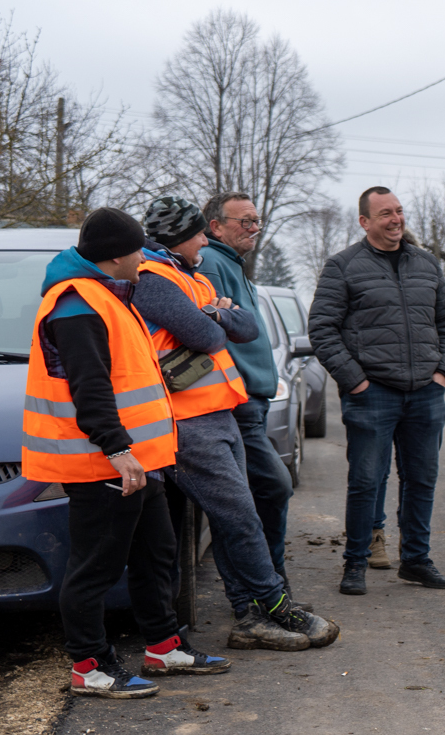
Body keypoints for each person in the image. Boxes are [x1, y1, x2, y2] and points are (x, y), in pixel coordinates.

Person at [23, 209, 229, 698]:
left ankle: (163, 646)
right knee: (95, 566)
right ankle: (89, 666)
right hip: (105, 463)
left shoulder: (110, 293)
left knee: (155, 553)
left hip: (140, 460)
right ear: (116, 256)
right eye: (138, 249)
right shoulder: (76, 303)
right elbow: (89, 387)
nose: (144, 257)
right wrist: (117, 449)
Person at [136, 197, 336, 652]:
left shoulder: (189, 274)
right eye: (198, 235)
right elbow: (209, 335)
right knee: (241, 516)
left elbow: (246, 327)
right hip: (186, 419)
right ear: (177, 237)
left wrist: (215, 314)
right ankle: (275, 606)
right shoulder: (153, 279)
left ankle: (250, 615)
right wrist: (215, 315)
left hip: (219, 411)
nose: (204, 242)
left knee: (235, 516)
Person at [308, 186, 445, 596]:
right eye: (385, 214)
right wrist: (355, 381)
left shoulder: (426, 264)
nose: (396, 219)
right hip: (372, 393)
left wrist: (443, 372)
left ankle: (416, 561)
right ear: (365, 222)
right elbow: (322, 329)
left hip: (425, 392)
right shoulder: (343, 266)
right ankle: (355, 563)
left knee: (421, 480)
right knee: (365, 481)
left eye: (399, 211)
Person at [199, 191, 294, 587]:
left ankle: (267, 587)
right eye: (245, 221)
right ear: (216, 227)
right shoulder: (212, 263)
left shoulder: (234, 263)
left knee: (251, 498)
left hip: (252, 402)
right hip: (236, 403)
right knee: (272, 488)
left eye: (257, 221)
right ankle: (269, 587)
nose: (254, 228)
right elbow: (211, 331)